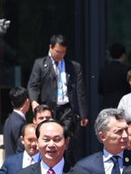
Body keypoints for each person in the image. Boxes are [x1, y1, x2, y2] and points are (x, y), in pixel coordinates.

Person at [27, 34, 88, 164]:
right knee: (49, 138)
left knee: (66, 140)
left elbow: (80, 90)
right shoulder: (40, 64)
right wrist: (34, 102)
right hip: (49, 109)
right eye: (58, 52)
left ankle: (66, 167)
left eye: (63, 52)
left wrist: (83, 114)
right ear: (50, 47)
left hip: (67, 109)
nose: (60, 55)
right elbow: (33, 85)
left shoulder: (73, 66)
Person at [98, 43, 131, 109]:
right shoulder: (126, 70)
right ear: (123, 55)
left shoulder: (104, 70)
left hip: (106, 105)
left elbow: (100, 89)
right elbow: (129, 88)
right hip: (123, 104)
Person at [3, 87, 30, 157]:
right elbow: (20, 149)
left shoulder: (9, 119)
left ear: (12, 103)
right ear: (27, 101)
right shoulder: (20, 124)